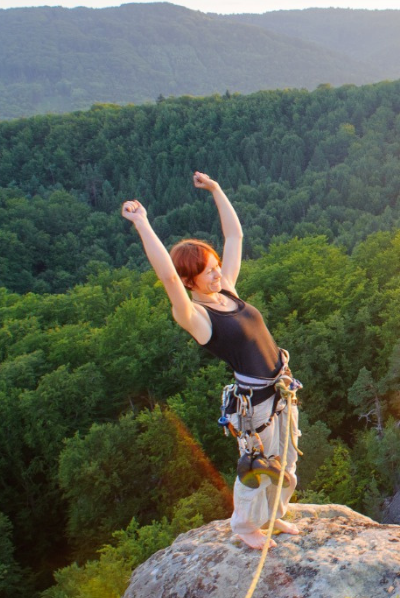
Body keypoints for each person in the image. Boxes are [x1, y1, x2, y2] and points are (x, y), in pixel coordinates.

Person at [122, 171, 301, 550]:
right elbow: (168, 277)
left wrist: (217, 190)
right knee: (256, 466)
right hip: (256, 402)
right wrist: (142, 223)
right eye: (208, 272)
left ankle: (272, 517)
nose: (218, 272)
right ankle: (245, 527)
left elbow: (235, 236)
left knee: (284, 459)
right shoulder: (197, 318)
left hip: (281, 389)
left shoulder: (228, 293)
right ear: (191, 282)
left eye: (217, 265)